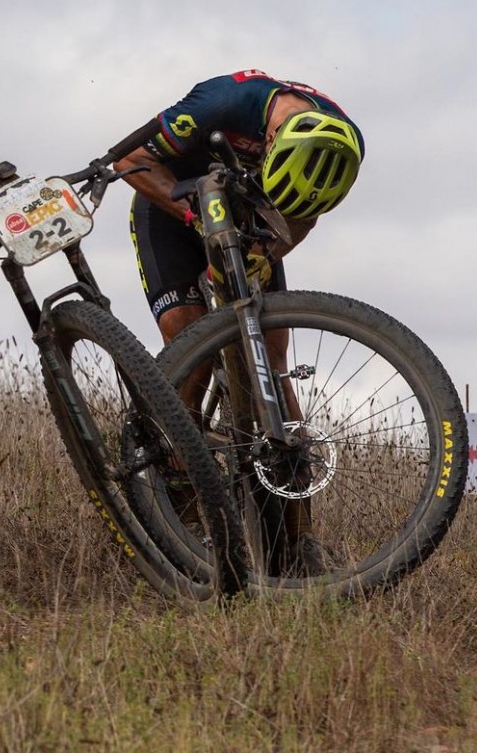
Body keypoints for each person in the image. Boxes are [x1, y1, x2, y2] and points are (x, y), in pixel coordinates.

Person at [113, 69, 364, 575]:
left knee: (271, 362)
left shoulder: (341, 140)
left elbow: (304, 212)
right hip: (170, 212)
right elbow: (129, 161)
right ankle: (177, 511)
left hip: (252, 222)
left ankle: (299, 540)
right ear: (272, 140)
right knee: (192, 349)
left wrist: (267, 251)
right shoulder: (223, 103)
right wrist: (197, 220)